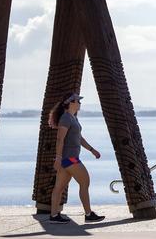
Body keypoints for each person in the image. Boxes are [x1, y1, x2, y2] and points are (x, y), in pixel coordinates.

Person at [49, 92, 104, 224]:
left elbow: (79, 138)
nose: (79, 103)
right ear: (70, 103)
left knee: (59, 187)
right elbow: (59, 139)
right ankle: (88, 214)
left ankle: (54, 215)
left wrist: (92, 150)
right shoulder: (66, 118)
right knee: (85, 182)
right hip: (70, 159)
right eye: (77, 101)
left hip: (67, 160)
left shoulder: (73, 118)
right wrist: (58, 158)